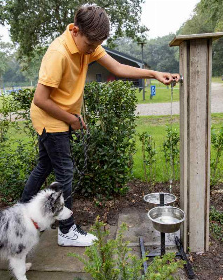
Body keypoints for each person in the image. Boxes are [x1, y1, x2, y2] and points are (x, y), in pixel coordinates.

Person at [20, 4, 179, 247]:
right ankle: (66, 230)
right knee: (65, 171)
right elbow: (40, 100)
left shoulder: (88, 45)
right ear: (75, 30)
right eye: (91, 45)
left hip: (60, 116)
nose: (94, 50)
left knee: (44, 165)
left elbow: (118, 68)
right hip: (50, 118)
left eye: (97, 46)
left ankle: (20, 219)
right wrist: (71, 118)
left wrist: (154, 73)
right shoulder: (59, 53)